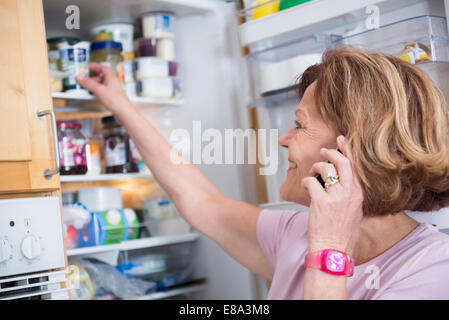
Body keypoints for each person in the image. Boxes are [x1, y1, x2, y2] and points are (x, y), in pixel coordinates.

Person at [76, 46, 449, 299]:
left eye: (300, 126)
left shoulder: (433, 270)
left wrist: (330, 249)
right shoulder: (296, 234)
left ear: (354, 149)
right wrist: (120, 105)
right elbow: (204, 203)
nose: (284, 140)